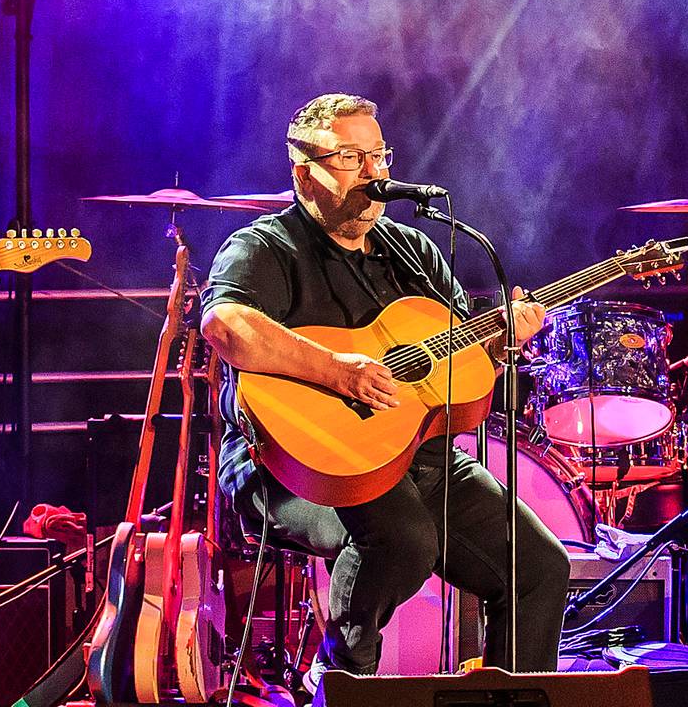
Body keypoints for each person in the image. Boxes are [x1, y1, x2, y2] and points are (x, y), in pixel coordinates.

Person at [200, 93, 571, 681]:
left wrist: (505, 342)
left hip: (415, 455)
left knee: (540, 567)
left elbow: (462, 362)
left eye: (379, 155)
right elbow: (226, 325)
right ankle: (342, 677)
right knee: (403, 541)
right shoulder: (266, 246)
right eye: (351, 157)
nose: (375, 172)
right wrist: (340, 370)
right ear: (305, 172)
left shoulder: (412, 251)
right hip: (293, 465)